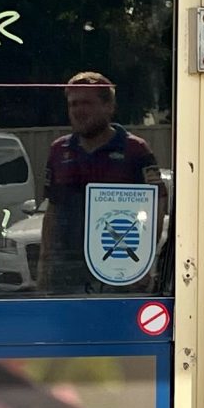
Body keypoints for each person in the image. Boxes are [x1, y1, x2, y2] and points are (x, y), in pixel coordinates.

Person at [42, 71, 157, 292]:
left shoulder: (135, 150)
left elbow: (155, 208)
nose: (78, 111)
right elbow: (52, 211)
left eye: (86, 103)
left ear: (109, 107)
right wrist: (44, 267)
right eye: (73, 104)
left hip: (118, 268)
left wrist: (142, 265)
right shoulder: (59, 150)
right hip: (67, 271)